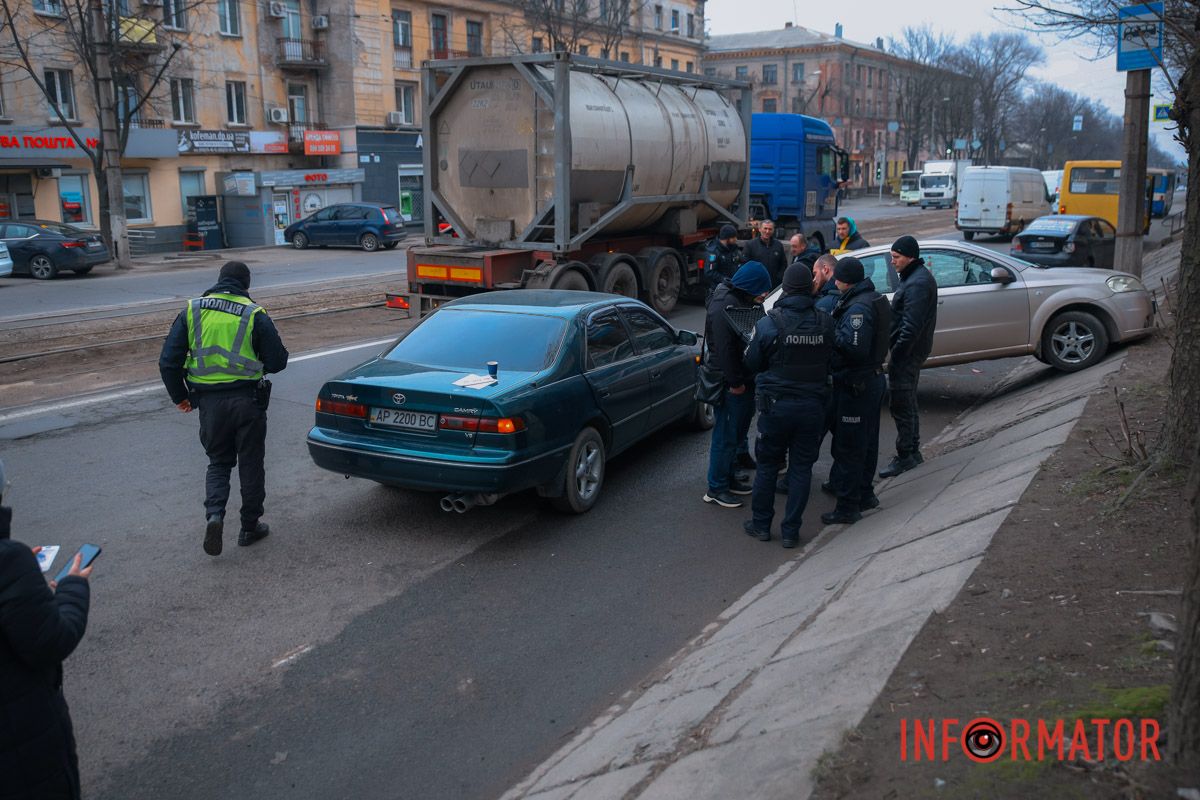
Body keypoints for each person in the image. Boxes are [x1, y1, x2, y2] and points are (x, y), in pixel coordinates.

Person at [160, 261, 290, 556]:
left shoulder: (192, 311)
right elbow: (278, 362)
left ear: (219, 281)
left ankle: (215, 516)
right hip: (248, 401)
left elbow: (168, 362)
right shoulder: (254, 313)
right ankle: (249, 527)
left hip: (209, 403)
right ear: (246, 285)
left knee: (218, 463)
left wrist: (181, 397)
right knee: (250, 463)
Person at [0, 459, 93, 800]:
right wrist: (72, 587)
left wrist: (25, 587)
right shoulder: (8, 561)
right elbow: (52, 640)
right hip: (20, 745)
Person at [742, 263, 835, 548]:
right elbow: (832, 359)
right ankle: (791, 532)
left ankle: (760, 525)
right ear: (809, 287)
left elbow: (752, 363)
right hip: (811, 408)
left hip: (775, 408)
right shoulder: (825, 321)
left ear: (786, 287)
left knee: (768, 466)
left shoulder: (769, 324)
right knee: (801, 469)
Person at [821, 257, 892, 524]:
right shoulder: (874, 298)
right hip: (871, 381)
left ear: (845, 279)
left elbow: (854, 349)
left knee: (850, 446)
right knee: (867, 441)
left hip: (857, 385)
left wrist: (831, 338)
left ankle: (847, 507)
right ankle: (865, 493)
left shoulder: (858, 309)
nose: (833, 281)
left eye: (836, 277)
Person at [703, 260, 773, 510]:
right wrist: (735, 383)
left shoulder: (735, 299)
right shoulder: (725, 304)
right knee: (725, 435)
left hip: (739, 379)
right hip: (731, 383)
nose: (764, 294)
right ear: (750, 285)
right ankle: (717, 488)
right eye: (761, 289)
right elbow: (725, 350)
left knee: (734, 434)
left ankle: (728, 478)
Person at [880, 235, 937, 479]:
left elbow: (911, 326)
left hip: (908, 354)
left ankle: (906, 455)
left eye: (896, 257)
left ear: (909, 257)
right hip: (911, 352)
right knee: (908, 401)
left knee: (902, 404)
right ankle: (912, 451)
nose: (893, 262)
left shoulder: (917, 283)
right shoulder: (916, 278)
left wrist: (898, 353)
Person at [703, 224, 745, 298]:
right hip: (719, 291)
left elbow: (740, 262)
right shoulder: (714, 252)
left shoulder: (733, 249)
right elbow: (709, 272)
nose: (736, 239)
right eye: (734, 237)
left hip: (733, 288)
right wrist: (723, 279)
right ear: (727, 238)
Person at [743, 219, 788, 287]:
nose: (767, 231)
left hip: (773, 286)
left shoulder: (778, 245)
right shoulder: (750, 245)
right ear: (760, 229)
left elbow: (784, 265)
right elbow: (745, 265)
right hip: (756, 285)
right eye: (765, 228)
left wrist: (778, 278)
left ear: (773, 230)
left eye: (770, 229)